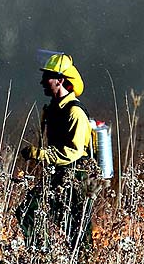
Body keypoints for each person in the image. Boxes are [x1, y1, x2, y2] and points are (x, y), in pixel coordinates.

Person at [15, 53, 96, 253]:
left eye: (47, 77)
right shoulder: (54, 109)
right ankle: (42, 257)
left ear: (60, 80)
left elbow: (73, 152)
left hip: (77, 175)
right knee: (28, 212)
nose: (42, 82)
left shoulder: (75, 112)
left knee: (77, 231)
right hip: (60, 173)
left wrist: (40, 154)